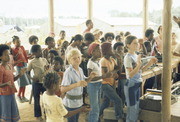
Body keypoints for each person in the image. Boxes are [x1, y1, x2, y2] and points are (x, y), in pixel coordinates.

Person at [124, 35, 157, 122]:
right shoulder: (128, 57)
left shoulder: (135, 55)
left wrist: (149, 63)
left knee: (136, 107)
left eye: (137, 43)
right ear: (128, 45)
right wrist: (139, 64)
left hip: (137, 84)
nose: (137, 45)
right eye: (134, 43)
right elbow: (130, 74)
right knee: (132, 109)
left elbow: (140, 71)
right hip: (131, 84)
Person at [61, 48, 96, 122]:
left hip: (78, 102)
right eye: (74, 58)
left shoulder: (80, 69)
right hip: (70, 103)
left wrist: (90, 77)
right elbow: (62, 89)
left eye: (79, 57)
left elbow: (84, 82)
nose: (77, 59)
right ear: (69, 60)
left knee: (76, 120)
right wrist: (77, 84)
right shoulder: (68, 72)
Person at [0, 44, 27, 122]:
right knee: (6, 115)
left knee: (12, 114)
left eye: (9, 54)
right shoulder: (0, 68)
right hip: (4, 95)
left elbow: (12, 79)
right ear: (0, 57)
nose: (8, 56)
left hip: (11, 93)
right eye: (5, 55)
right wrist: (6, 84)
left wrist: (20, 75)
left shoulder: (9, 66)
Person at [87, 42, 112, 122]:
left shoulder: (97, 62)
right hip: (93, 86)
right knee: (95, 108)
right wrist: (103, 76)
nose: (100, 52)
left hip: (98, 85)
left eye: (100, 50)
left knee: (96, 106)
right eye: (98, 50)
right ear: (92, 52)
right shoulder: (90, 63)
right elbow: (89, 79)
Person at [99, 42, 124, 120]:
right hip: (105, 84)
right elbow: (107, 74)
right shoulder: (103, 61)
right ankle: (119, 117)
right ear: (106, 50)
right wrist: (114, 72)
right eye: (110, 48)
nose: (112, 50)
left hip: (111, 83)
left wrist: (119, 59)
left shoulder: (112, 59)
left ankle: (95, 116)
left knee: (106, 103)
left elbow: (118, 68)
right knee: (118, 100)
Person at [27, 45, 49, 121]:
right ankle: (38, 116)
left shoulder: (44, 60)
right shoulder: (32, 62)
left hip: (45, 82)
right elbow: (27, 72)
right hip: (36, 83)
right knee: (36, 99)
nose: (41, 52)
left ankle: (47, 114)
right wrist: (32, 79)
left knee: (47, 98)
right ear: (34, 53)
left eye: (41, 50)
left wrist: (47, 71)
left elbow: (48, 68)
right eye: (39, 51)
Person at [11, 36, 30, 103]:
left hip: (24, 65)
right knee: (22, 82)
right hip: (19, 66)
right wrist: (17, 55)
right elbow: (13, 59)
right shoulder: (13, 50)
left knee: (25, 82)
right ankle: (19, 95)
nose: (19, 43)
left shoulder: (22, 47)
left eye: (20, 41)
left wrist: (30, 56)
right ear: (14, 42)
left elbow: (25, 56)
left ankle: (23, 96)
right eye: (17, 42)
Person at [113, 42, 126, 106]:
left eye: (122, 49)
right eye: (119, 49)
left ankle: (122, 104)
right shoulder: (114, 58)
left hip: (122, 77)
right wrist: (119, 59)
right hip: (116, 78)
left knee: (123, 91)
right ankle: (120, 105)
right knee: (120, 92)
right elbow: (119, 70)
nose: (121, 51)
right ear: (115, 50)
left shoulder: (124, 56)